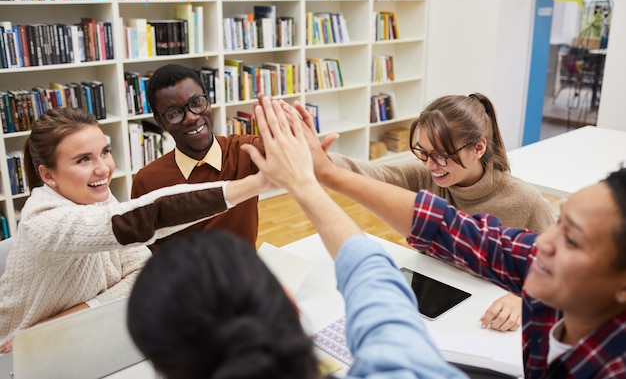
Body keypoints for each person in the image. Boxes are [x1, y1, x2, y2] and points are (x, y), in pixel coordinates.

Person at [127, 95, 467, 379]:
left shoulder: (238, 149)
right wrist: (309, 182)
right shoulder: (393, 366)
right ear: (291, 304)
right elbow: (375, 282)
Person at [294, 100, 626, 377]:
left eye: (572, 240)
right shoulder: (546, 280)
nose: (543, 244)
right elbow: (449, 228)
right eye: (559, 221)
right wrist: (323, 170)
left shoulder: (609, 365)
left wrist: (518, 296)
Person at [0, 108, 272, 352]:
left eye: (105, 152)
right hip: (19, 352)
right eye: (83, 160)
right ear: (48, 175)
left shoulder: (98, 198)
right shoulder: (42, 222)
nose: (103, 168)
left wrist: (79, 312)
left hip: (80, 335)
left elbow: (140, 268)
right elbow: (146, 217)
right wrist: (254, 184)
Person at [296, 93, 556, 332]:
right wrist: (320, 160)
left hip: (484, 319)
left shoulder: (526, 201)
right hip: (431, 302)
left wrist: (522, 298)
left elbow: (560, 272)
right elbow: (373, 175)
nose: (431, 165)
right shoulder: (425, 174)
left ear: (478, 148)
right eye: (423, 152)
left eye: (442, 156)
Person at [131, 64, 264, 250]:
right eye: (174, 113)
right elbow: (146, 254)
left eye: (196, 103)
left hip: (244, 272)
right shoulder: (147, 181)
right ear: (160, 121)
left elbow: (296, 163)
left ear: (208, 101)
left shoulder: (247, 151)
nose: (191, 118)